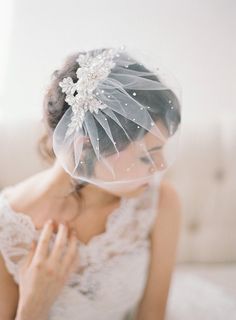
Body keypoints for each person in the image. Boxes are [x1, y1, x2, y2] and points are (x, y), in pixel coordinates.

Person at [0, 46, 234, 320]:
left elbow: (152, 314)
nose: (160, 168)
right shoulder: (7, 228)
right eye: (147, 156)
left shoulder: (160, 203)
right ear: (85, 148)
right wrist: (33, 305)